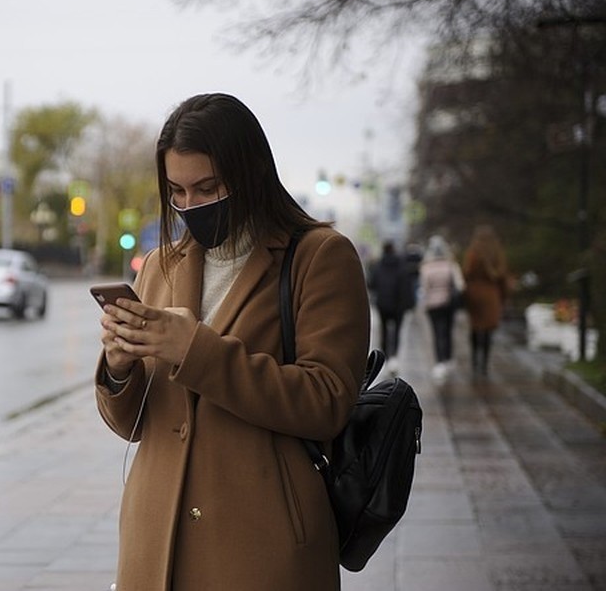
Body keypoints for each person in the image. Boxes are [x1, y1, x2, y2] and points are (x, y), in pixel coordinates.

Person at [94, 93, 370, 590]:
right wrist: (118, 368)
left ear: (249, 174)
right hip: (155, 544)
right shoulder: (161, 265)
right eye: (176, 191)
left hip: (260, 545)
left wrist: (193, 349)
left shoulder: (320, 258)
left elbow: (327, 400)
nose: (189, 206)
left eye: (207, 188)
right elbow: (133, 426)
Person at [462, 224, 509, 378]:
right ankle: (484, 363)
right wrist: (503, 296)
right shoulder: (497, 253)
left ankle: (475, 360)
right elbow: (502, 277)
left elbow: (466, 273)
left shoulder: (473, 253)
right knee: (488, 330)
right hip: (491, 295)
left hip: (475, 294)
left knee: (475, 328)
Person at [419, 235, 464, 383]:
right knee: (447, 331)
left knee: (437, 332)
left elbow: (424, 288)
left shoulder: (426, 267)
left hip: (433, 305)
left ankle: (439, 363)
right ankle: (448, 359)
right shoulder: (451, 265)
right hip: (448, 304)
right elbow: (460, 286)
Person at [367, 241, 412, 370]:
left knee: (384, 330)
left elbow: (371, 283)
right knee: (397, 330)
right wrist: (408, 303)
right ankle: (394, 356)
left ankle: (386, 356)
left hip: (383, 303)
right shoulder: (401, 265)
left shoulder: (378, 266)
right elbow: (406, 285)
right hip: (399, 305)